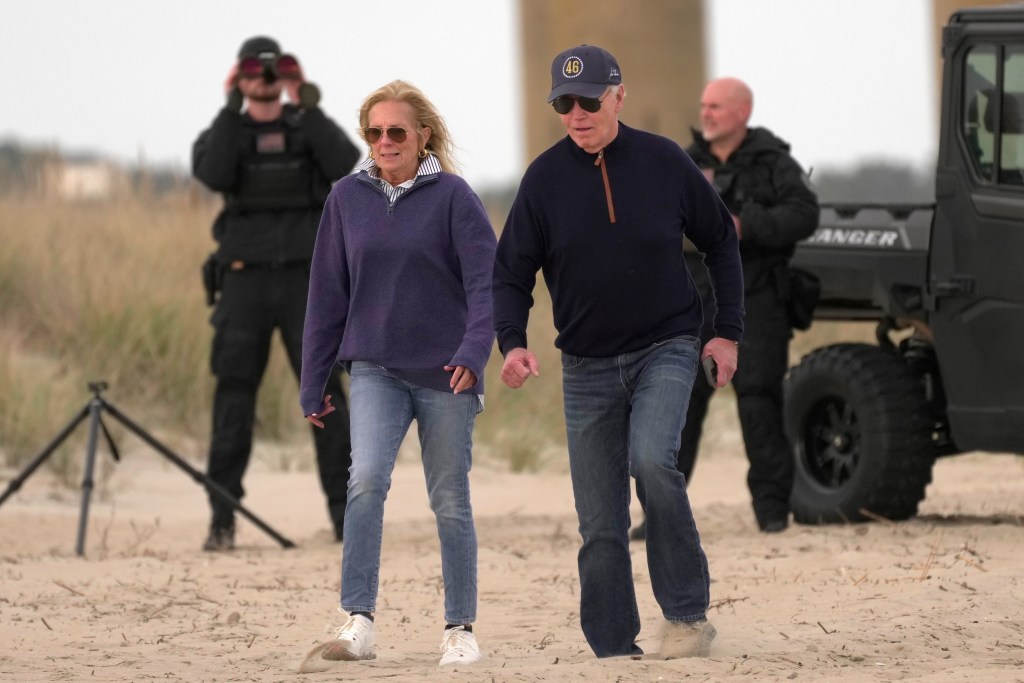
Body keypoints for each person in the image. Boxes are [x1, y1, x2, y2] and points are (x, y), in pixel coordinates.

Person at [493, 45, 744, 659]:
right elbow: (511, 273)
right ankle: (613, 649)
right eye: (564, 104)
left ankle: (686, 617)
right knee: (600, 520)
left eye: (589, 101)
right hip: (586, 366)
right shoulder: (543, 180)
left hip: (667, 346)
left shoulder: (664, 161)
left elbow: (720, 241)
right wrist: (513, 342)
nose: (576, 114)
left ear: (619, 96)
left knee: (653, 464)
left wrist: (726, 331)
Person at [297, 80, 496, 669]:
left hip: (446, 373)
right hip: (374, 368)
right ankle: (357, 622)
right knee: (365, 481)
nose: (385, 141)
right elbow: (326, 294)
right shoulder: (346, 198)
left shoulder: (454, 197)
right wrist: (313, 379)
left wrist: (474, 352)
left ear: (422, 135)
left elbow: (486, 284)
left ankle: (459, 629)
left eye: (396, 131)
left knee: (450, 499)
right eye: (374, 132)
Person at [630, 77, 819, 540]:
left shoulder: (773, 163)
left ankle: (773, 513)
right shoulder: (684, 162)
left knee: (759, 403)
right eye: (704, 105)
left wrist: (743, 225)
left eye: (716, 106)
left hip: (758, 300)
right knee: (679, 406)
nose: (706, 113)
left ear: (742, 112)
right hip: (692, 301)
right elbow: (648, 218)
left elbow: (804, 214)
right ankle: (660, 515)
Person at [192, 36, 361, 551]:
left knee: (325, 398)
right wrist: (231, 105)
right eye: (252, 71)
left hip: (305, 283)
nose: (263, 78)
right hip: (243, 282)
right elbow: (213, 172)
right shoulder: (227, 132)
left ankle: (346, 520)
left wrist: (303, 100)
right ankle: (222, 521)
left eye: (273, 70)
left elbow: (345, 161)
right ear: (238, 77)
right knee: (233, 399)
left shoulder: (305, 127)